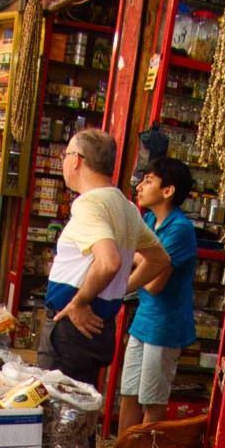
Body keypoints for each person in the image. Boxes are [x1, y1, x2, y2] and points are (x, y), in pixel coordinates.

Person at [39, 128, 170, 388]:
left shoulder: (89, 203)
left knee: (56, 415)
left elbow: (109, 261)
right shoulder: (126, 206)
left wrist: (80, 302)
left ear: (76, 159)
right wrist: (119, 289)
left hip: (71, 331)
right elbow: (158, 259)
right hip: (97, 329)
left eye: (66, 155)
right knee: (80, 412)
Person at [119, 155, 197, 434]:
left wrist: (142, 259)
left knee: (152, 400)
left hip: (166, 325)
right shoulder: (150, 219)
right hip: (144, 318)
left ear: (168, 191)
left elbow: (154, 284)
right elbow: (133, 256)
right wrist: (146, 259)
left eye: (149, 181)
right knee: (128, 393)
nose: (140, 186)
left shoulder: (180, 230)